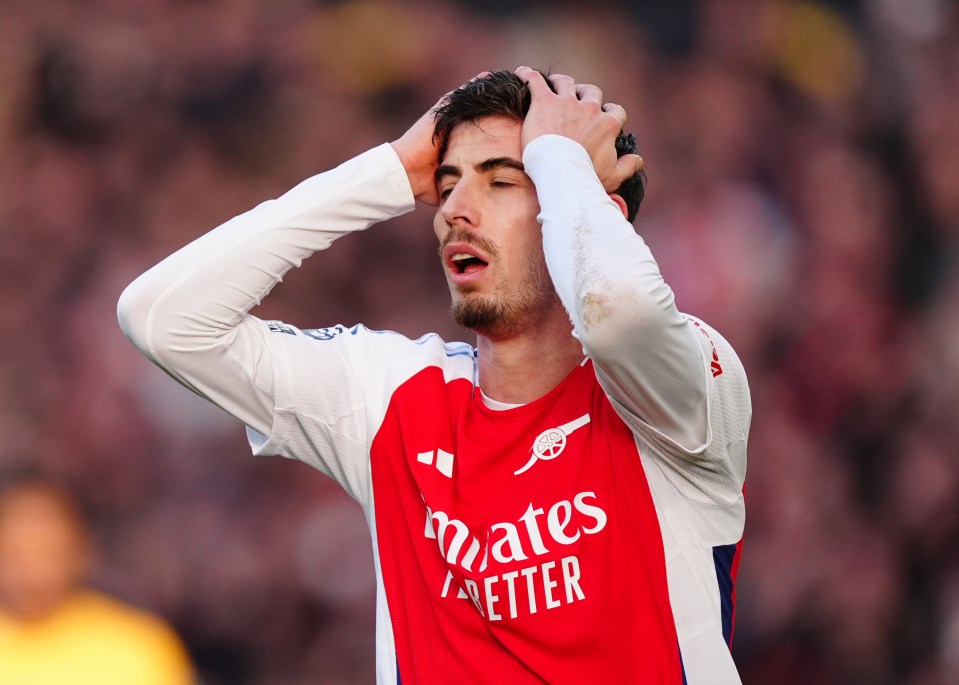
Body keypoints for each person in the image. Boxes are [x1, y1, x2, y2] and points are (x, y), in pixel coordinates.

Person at [118, 67, 750, 684]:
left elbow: (622, 317)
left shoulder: (684, 388)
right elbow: (163, 318)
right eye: (446, 185)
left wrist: (559, 159)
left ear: (589, 211)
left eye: (502, 182)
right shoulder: (392, 397)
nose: (455, 210)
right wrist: (389, 171)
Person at [0, 473, 195, 685]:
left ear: (81, 550)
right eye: (17, 554)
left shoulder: (135, 646)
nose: (32, 574)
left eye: (47, 552)